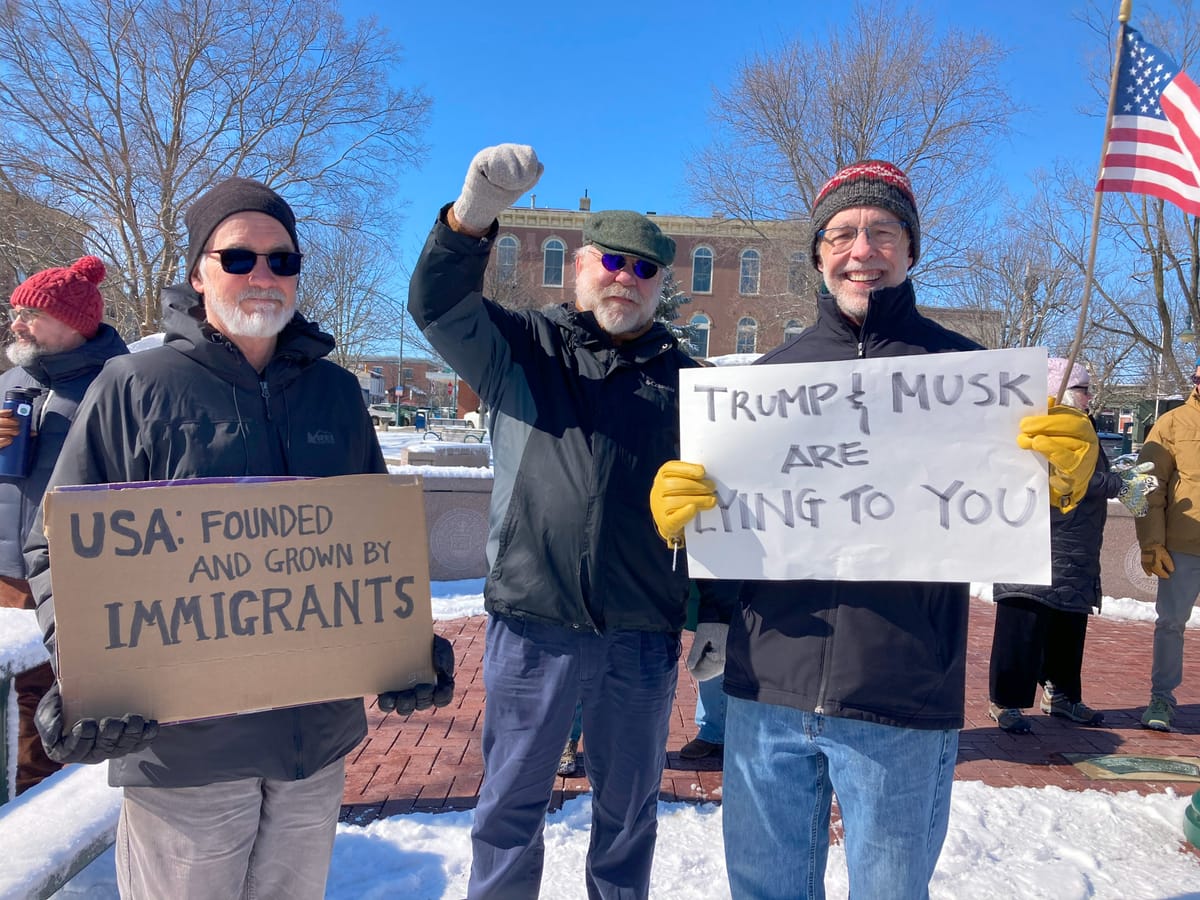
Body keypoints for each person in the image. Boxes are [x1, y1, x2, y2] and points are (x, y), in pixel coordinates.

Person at [648, 160, 1100, 900]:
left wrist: (1066, 479)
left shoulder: (973, 377)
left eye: (883, 231)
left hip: (902, 692)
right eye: (844, 233)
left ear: (911, 249)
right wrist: (682, 529)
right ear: (820, 255)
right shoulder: (762, 383)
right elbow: (734, 543)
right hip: (768, 692)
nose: (863, 249)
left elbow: (1011, 517)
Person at [24, 177, 454, 898]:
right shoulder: (134, 385)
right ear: (197, 273)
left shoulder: (336, 394)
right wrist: (84, 670)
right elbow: (59, 548)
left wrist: (405, 647)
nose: (263, 275)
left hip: (313, 747)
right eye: (239, 258)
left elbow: (376, 542)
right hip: (187, 755)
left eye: (282, 261)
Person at [408, 144, 699, 900]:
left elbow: (727, 509)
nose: (624, 279)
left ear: (661, 286)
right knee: (508, 808)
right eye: (611, 261)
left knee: (628, 813)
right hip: (533, 628)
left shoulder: (690, 384)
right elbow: (437, 308)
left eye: (644, 270)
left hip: (640, 639)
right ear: (579, 265)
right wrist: (469, 221)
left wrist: (715, 610)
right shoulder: (522, 350)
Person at [0, 256, 128, 793]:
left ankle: (47, 818)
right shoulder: (10, 380)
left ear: (74, 322)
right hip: (6, 578)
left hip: (75, 578)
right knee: (11, 703)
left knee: (59, 705)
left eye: (30, 313)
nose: (16, 323)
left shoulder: (119, 384)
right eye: (15, 311)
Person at [988, 358, 1151, 734]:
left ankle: (1061, 695)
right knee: (1022, 623)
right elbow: (1065, 477)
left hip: (1077, 547)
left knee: (1067, 625)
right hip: (1036, 544)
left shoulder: (1081, 426)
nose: (1089, 396)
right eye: (1083, 389)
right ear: (1059, 390)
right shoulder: (1035, 426)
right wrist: (1119, 485)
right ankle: (1004, 700)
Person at [1134, 357, 1200, 732]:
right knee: (1172, 624)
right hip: (1183, 545)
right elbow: (1145, 485)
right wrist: (1152, 543)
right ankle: (1162, 698)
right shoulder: (1172, 423)